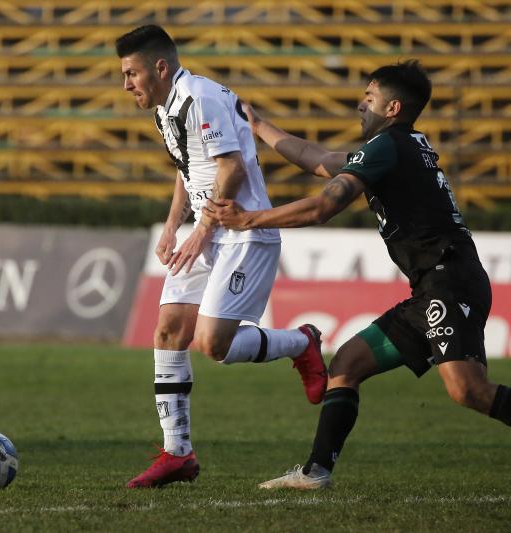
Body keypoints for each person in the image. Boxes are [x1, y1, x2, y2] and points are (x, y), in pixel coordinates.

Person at [204, 60, 511, 498]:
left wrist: (250, 219)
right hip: (433, 285)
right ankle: (315, 472)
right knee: (346, 365)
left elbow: (325, 205)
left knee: (468, 389)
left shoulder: (387, 146)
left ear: (393, 107)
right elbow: (319, 159)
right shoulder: (398, 146)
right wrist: (259, 126)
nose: (361, 104)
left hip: (449, 281)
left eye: (369, 97)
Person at [115, 25, 328, 489]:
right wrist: (172, 225)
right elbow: (188, 167)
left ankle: (301, 342)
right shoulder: (166, 108)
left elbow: (231, 168)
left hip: (242, 233)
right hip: (207, 230)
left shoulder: (201, 98)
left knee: (213, 345)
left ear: (160, 67)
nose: (126, 84)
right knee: (168, 331)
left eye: (131, 73)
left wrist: (201, 230)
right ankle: (177, 454)